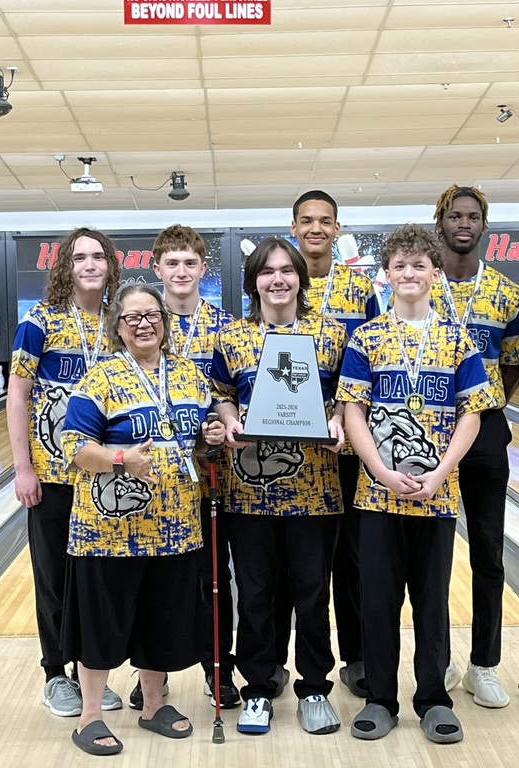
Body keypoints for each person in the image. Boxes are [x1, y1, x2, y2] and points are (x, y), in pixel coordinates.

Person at [338, 223, 494, 744]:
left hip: (438, 494)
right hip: (377, 495)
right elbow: (353, 411)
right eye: (399, 266)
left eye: (418, 266)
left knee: (432, 602)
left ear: (434, 273)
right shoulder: (368, 337)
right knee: (377, 598)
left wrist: (442, 472)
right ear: (386, 275)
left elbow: (472, 414)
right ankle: (381, 697)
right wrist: (380, 472)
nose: (409, 273)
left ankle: (432, 698)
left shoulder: (457, 339)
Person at [59, 283, 225, 755]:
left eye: (151, 315)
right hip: (109, 533)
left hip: (175, 529)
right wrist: (119, 458)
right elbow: (73, 448)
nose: (144, 324)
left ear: (164, 322)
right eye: (132, 318)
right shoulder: (101, 378)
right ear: (118, 328)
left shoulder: (191, 376)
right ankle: (89, 716)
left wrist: (210, 432)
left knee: (161, 621)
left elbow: (202, 438)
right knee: (102, 624)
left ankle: (154, 705)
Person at [210, 237, 347, 736]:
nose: (278, 279)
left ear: (300, 278)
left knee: (313, 594)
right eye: (267, 271)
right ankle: (259, 689)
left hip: (316, 492)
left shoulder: (330, 335)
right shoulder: (232, 339)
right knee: (258, 594)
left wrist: (336, 422)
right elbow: (221, 395)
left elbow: (346, 399)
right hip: (248, 493)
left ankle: (314, 688)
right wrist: (229, 420)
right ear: (254, 282)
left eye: (287, 270)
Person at [7, 227, 123, 718]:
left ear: (111, 265)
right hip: (53, 475)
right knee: (55, 578)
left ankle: (90, 673)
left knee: (96, 580)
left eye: (99, 256)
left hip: (103, 476)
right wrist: (22, 467)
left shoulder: (122, 321)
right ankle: (56, 673)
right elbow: (17, 394)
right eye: (81, 258)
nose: (91, 265)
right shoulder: (41, 321)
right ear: (66, 266)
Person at [430, 185, 519, 707]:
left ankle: (484, 664)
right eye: (454, 215)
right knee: (435, 554)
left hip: (485, 430)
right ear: (439, 222)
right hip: (422, 428)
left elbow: (514, 362)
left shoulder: (508, 295)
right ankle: (441, 659)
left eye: (472, 216)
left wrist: (484, 406)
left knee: (489, 552)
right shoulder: (418, 286)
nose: (463, 223)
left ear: (484, 225)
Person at [288, 190, 381, 698]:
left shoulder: (359, 288)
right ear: (293, 226)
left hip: (347, 443)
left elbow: (369, 359)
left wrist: (349, 420)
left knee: (353, 557)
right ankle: (289, 661)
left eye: (325, 221)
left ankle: (359, 656)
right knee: (296, 563)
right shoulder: (279, 280)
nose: (316, 228)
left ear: (337, 228)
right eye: (307, 220)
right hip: (292, 446)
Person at [151, 224, 239, 711]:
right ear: (157, 267)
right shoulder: (141, 321)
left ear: (203, 269)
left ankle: (216, 667)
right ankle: (154, 674)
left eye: (190, 263)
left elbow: (233, 394)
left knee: (215, 577)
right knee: (160, 576)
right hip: (157, 478)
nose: (181, 271)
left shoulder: (226, 326)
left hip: (216, 475)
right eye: (172, 263)